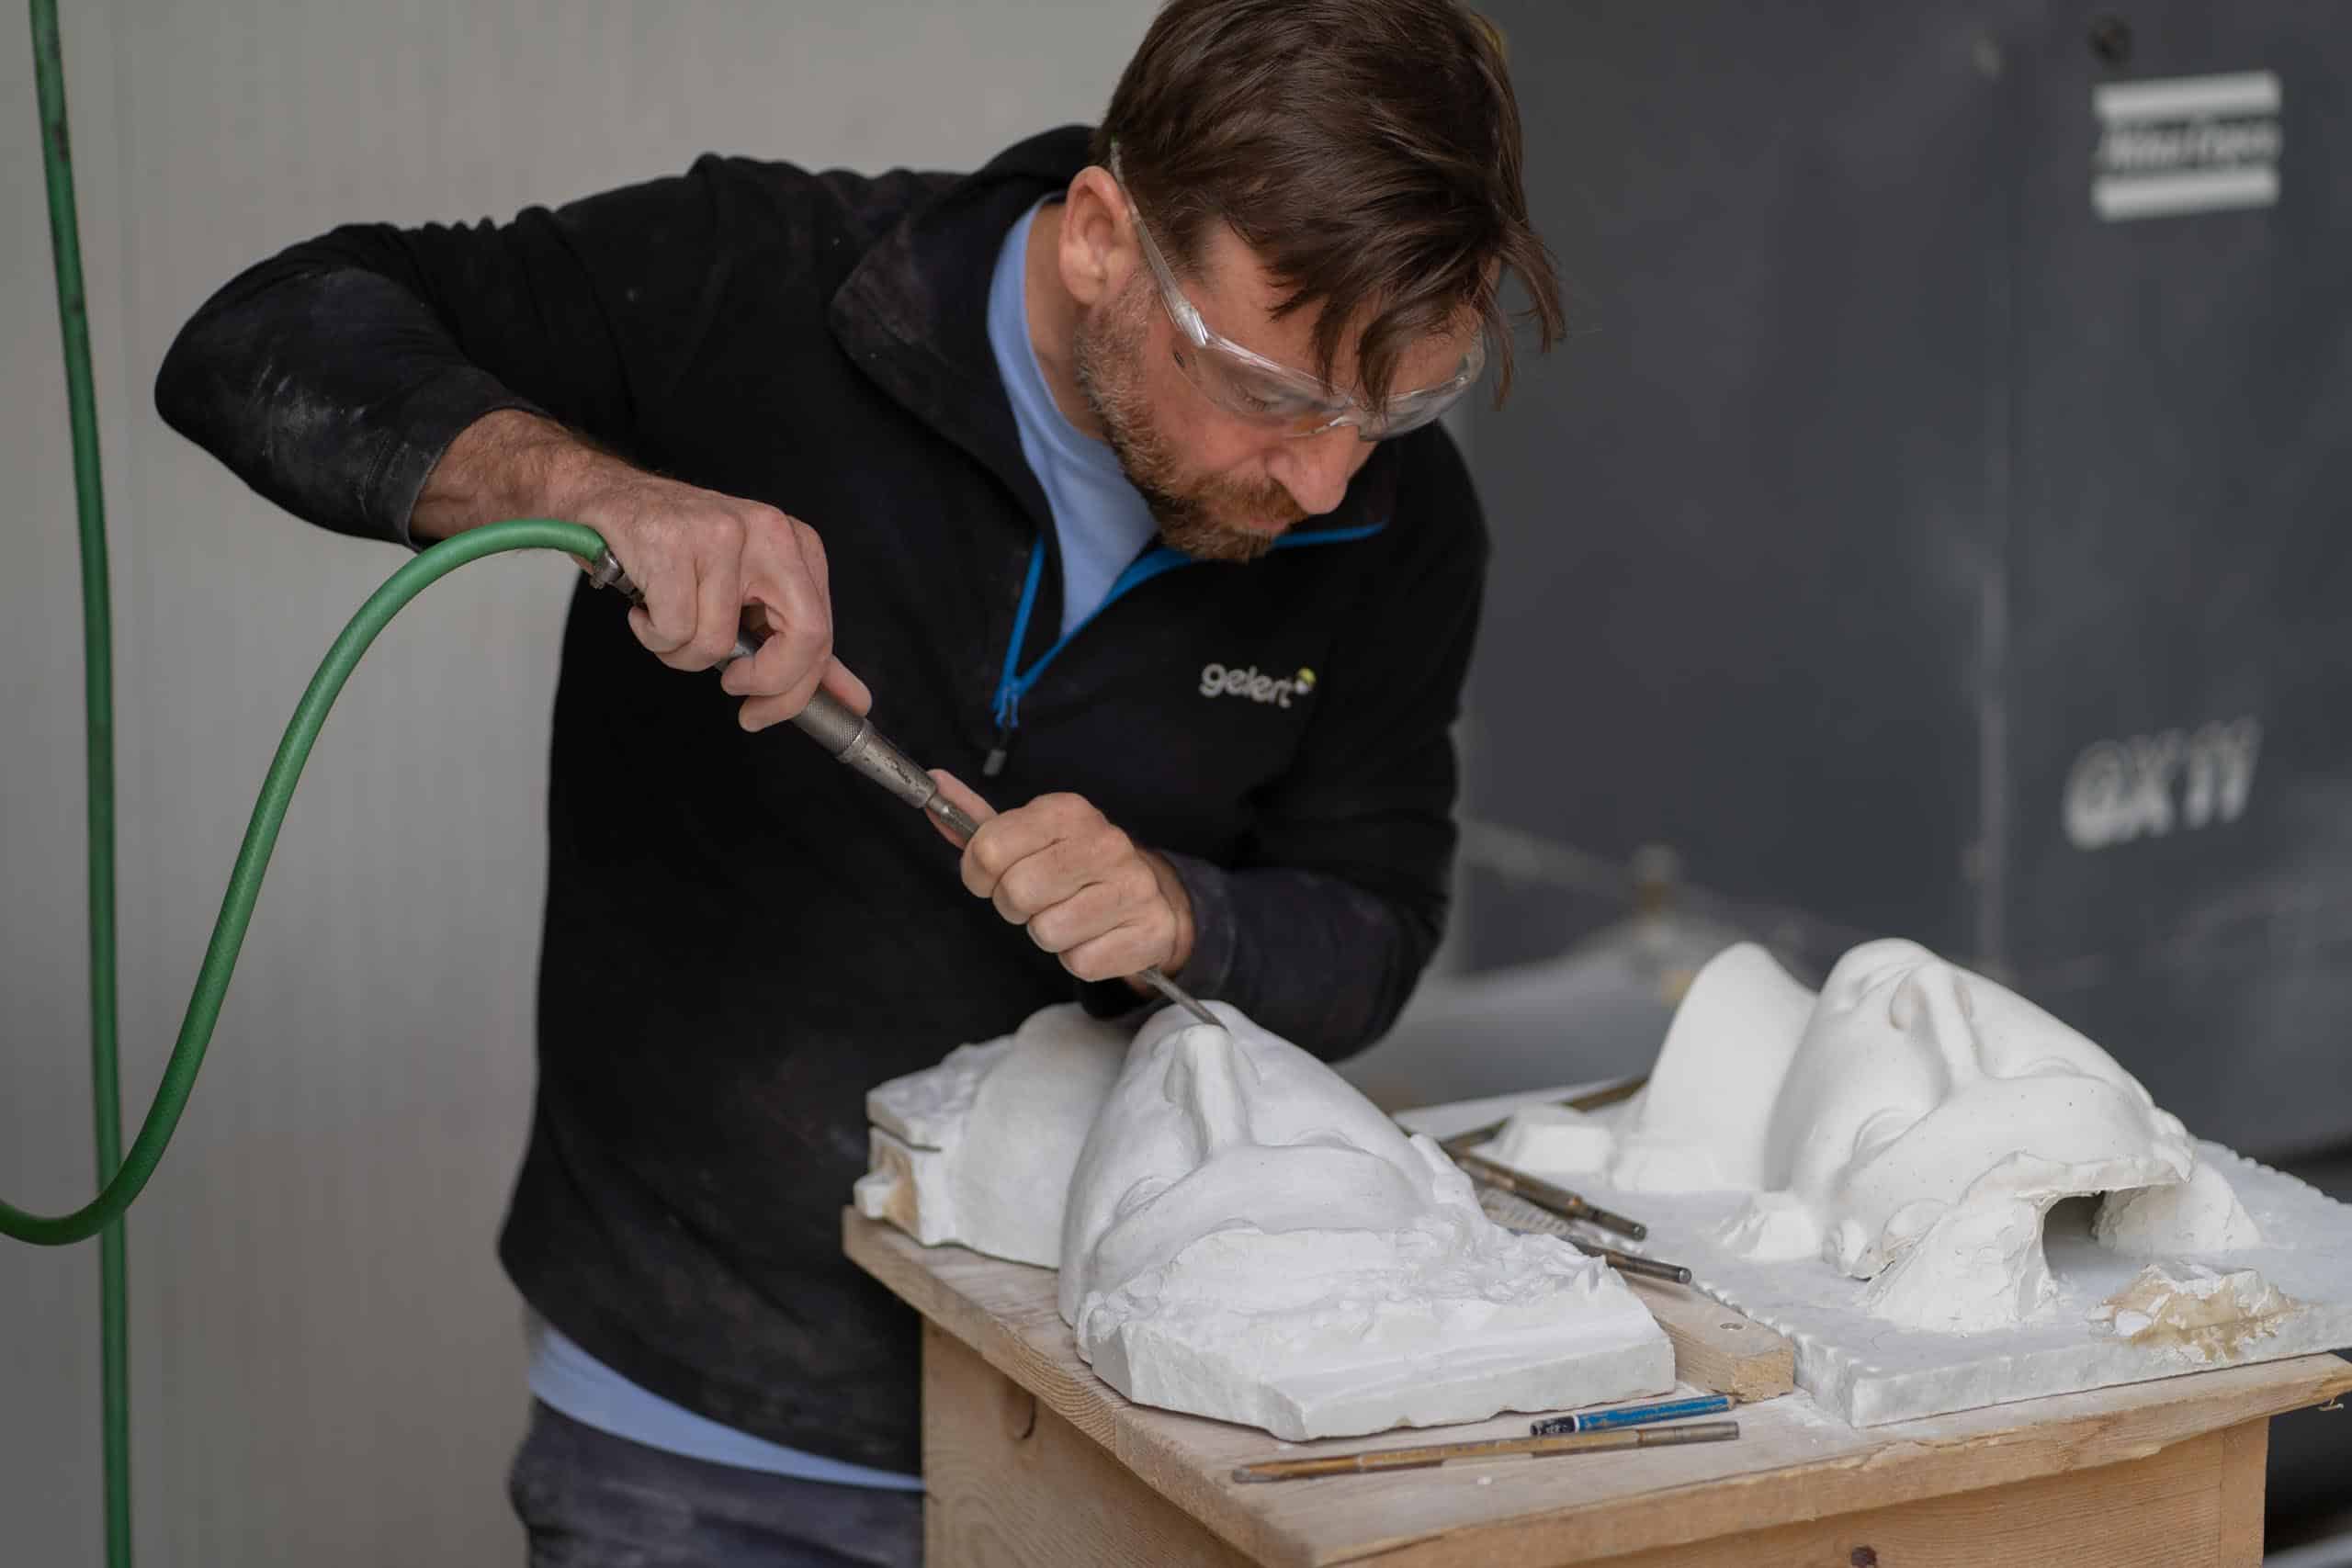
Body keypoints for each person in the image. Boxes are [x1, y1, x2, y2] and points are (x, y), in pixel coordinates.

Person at [155, 0, 1563, 1560]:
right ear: (1103, 238)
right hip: (704, 1434)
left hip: (1122, 1444)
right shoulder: (762, 285)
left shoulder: (1396, 524)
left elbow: (1375, 918)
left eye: (1396, 404)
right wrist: (596, 490)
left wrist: (1186, 914)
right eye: (1277, 396)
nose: (1328, 477)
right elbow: (258, 335)